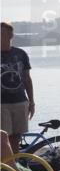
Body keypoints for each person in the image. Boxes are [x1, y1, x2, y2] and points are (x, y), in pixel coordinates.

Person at [1, 21, 34, 151]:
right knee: (3, 137)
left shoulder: (21, 54)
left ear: (11, 35)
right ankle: (5, 167)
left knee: (16, 137)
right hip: (1, 104)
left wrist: (31, 102)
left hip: (20, 101)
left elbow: (27, 79)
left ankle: (15, 165)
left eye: (4, 32)